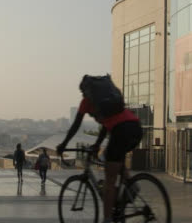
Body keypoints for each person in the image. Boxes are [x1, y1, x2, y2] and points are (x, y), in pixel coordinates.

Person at [57, 75, 143, 223]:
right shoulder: (107, 103)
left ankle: (108, 219)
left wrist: (64, 144)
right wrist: (97, 144)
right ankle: (131, 185)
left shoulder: (87, 101)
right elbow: (106, 125)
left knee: (109, 179)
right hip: (135, 128)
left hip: (121, 130)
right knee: (113, 159)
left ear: (85, 91)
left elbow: (76, 125)